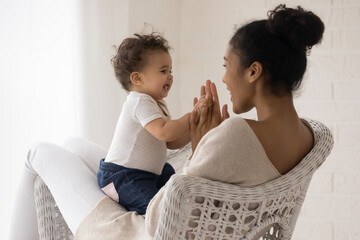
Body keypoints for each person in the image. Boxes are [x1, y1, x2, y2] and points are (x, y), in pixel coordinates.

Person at [10, 4, 325, 240]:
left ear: (254, 71)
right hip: (161, 209)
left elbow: (167, 209)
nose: (225, 78)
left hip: (135, 231)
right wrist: (204, 143)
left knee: (37, 153)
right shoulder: (309, 138)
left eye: (227, 65)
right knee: (72, 145)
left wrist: (203, 143)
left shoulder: (236, 135)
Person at [97, 32, 196, 215]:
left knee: (168, 173)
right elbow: (164, 132)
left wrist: (194, 128)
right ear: (137, 79)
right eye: (163, 71)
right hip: (121, 177)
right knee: (158, 210)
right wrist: (192, 117)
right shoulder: (140, 102)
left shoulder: (155, 104)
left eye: (170, 71)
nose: (170, 76)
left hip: (146, 175)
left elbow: (171, 142)